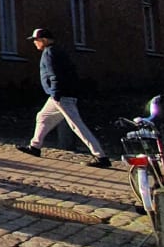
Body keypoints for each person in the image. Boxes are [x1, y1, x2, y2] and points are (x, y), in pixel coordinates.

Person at [17, 27, 113, 167]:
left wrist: (56, 93)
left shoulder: (49, 53)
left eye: (36, 40)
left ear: (43, 40)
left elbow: (54, 75)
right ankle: (35, 147)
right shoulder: (57, 51)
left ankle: (101, 157)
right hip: (60, 94)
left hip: (60, 95)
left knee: (77, 125)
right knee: (42, 116)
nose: (34, 43)